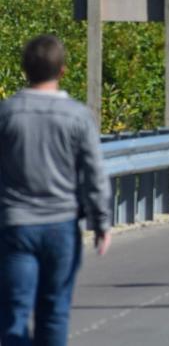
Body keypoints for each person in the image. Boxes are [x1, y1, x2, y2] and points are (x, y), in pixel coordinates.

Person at [0, 35, 112, 346]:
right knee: (54, 311)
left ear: (24, 69)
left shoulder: (6, 113)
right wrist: (101, 222)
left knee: (13, 312)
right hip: (61, 225)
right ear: (62, 71)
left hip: (15, 224)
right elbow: (94, 173)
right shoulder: (77, 116)